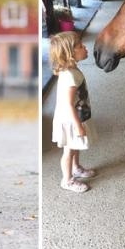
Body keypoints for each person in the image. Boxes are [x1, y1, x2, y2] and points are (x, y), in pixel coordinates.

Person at [49, 31, 96, 193]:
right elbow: (68, 104)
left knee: (75, 145)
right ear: (70, 53)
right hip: (70, 120)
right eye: (81, 46)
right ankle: (67, 180)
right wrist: (78, 126)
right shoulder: (70, 76)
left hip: (75, 116)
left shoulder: (72, 71)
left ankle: (76, 168)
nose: (85, 48)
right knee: (68, 150)